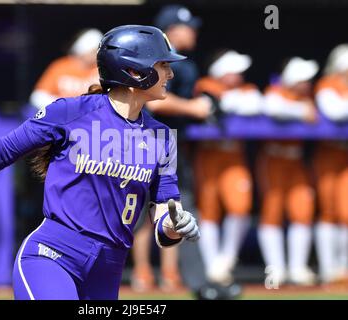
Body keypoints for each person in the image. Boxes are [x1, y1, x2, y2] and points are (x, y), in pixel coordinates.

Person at [0, 25, 200, 300]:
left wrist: (175, 226)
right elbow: (3, 151)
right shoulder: (70, 112)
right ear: (135, 71)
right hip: (52, 257)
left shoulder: (162, 137)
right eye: (163, 65)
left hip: (108, 269)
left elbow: (164, 215)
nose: (171, 73)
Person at [132, 4, 210, 294]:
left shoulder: (186, 65)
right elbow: (150, 99)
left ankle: (170, 274)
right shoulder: (147, 56)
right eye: (188, 27)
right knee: (139, 212)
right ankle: (142, 273)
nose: (194, 32)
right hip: (141, 140)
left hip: (171, 142)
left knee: (173, 208)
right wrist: (194, 108)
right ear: (173, 30)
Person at [192, 49, 262, 286]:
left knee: (240, 206)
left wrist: (226, 103)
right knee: (209, 210)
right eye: (235, 71)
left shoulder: (246, 89)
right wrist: (222, 103)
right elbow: (207, 106)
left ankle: (226, 258)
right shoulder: (205, 84)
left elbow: (254, 105)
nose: (240, 75)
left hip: (234, 155)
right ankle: (212, 266)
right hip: (209, 154)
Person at [258, 57, 318, 286]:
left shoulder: (307, 97)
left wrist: (304, 108)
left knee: (303, 211)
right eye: (303, 79)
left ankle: (297, 269)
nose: (307, 83)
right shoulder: (276, 92)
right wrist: (301, 111)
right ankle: (276, 270)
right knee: (272, 212)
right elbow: (272, 108)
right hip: (273, 159)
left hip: (296, 161)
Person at [313, 44, 348, 284]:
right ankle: (328, 269)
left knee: (346, 211)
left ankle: (343, 269)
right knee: (328, 210)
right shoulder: (327, 84)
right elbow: (335, 111)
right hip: (328, 153)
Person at [29, 28, 103, 110]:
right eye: (93, 51)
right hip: (64, 117)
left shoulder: (101, 68)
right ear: (83, 50)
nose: (96, 54)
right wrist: (63, 106)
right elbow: (38, 96)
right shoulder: (61, 67)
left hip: (93, 117)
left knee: (96, 122)